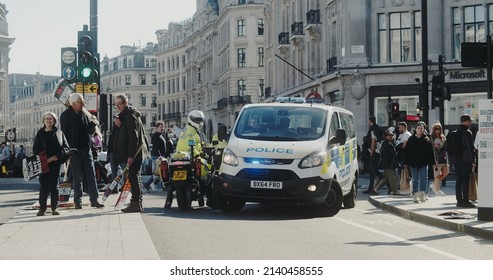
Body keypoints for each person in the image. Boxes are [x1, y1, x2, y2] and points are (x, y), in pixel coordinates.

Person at [60, 93, 104, 209]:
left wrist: (93, 124)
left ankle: (94, 200)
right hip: (74, 150)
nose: (83, 104)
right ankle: (77, 201)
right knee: (77, 176)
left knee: (91, 175)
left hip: (86, 148)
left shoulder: (84, 114)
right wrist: (67, 151)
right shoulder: (65, 115)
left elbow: (87, 131)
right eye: (81, 102)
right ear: (74, 104)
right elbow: (64, 134)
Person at [113, 93, 149, 213]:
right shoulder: (127, 115)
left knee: (134, 178)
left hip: (134, 155)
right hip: (133, 154)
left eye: (120, 104)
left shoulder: (129, 117)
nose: (117, 106)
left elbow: (134, 137)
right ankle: (137, 202)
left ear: (125, 103)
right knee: (135, 178)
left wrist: (130, 155)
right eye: (116, 104)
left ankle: (136, 203)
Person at [33, 112, 71, 216]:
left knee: (54, 186)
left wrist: (56, 157)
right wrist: (44, 158)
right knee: (43, 186)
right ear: (43, 121)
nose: (49, 121)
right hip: (44, 163)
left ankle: (54, 207)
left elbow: (66, 148)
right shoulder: (40, 134)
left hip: (55, 163)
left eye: (51, 119)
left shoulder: (59, 133)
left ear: (54, 121)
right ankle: (42, 208)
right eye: (46, 119)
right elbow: (35, 149)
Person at [403, 121, 434, 203]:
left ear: (424, 129)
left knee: (424, 178)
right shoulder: (411, 139)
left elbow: (431, 151)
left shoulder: (427, 138)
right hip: (413, 162)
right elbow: (407, 151)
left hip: (424, 162)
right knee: (415, 179)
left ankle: (423, 193)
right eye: (419, 128)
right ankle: (415, 194)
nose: (420, 130)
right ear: (415, 129)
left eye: (422, 128)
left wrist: (433, 162)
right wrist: (405, 163)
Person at [454, 114, 477, 208]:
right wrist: (473, 161)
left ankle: (459, 200)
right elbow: (469, 147)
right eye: (469, 121)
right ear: (466, 121)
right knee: (465, 180)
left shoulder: (456, 132)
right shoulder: (467, 132)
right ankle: (466, 201)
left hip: (457, 160)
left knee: (458, 180)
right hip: (466, 159)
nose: (470, 123)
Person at [371, 129, 400, 195]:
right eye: (389, 135)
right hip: (388, 164)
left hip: (388, 164)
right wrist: (391, 161)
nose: (391, 136)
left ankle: (375, 189)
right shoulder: (385, 143)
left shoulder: (390, 143)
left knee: (386, 178)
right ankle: (395, 191)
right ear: (386, 136)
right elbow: (384, 155)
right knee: (393, 177)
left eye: (392, 135)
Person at [363, 116, 384, 194]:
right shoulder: (377, 128)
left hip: (374, 152)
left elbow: (373, 141)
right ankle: (371, 188)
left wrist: (371, 153)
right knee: (371, 171)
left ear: (370, 121)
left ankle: (386, 180)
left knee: (374, 171)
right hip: (377, 152)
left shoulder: (373, 129)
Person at [143, 121, 166, 191]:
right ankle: (148, 184)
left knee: (160, 172)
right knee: (158, 172)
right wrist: (160, 156)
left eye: (163, 127)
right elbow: (156, 147)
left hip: (161, 156)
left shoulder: (161, 135)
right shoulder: (155, 136)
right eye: (160, 127)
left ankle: (149, 184)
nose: (162, 129)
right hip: (157, 156)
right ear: (157, 128)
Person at [107, 114, 125, 192]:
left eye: (117, 119)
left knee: (124, 172)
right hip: (113, 153)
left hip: (122, 154)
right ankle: (114, 188)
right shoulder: (114, 129)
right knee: (114, 173)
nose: (115, 121)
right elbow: (110, 142)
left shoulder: (124, 129)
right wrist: (109, 153)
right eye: (115, 119)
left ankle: (125, 188)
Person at [430, 122, 448, 196]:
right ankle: (437, 190)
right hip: (436, 158)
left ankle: (434, 185)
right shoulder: (431, 137)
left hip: (443, 157)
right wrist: (434, 146)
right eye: (436, 129)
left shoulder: (442, 137)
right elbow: (430, 149)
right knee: (437, 175)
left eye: (439, 129)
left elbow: (445, 148)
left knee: (445, 172)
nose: (437, 130)